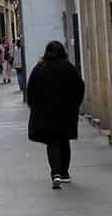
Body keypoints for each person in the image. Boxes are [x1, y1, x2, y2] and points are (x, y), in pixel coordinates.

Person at [26, 40, 86, 188]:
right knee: (64, 140)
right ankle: (65, 173)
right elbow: (80, 86)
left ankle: (56, 173)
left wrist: (33, 105)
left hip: (45, 113)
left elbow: (30, 89)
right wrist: (75, 105)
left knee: (52, 141)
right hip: (66, 112)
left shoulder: (40, 68)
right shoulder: (69, 68)